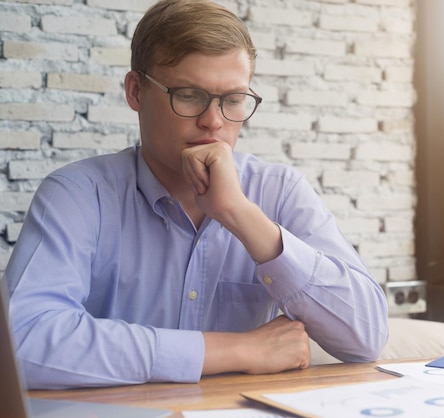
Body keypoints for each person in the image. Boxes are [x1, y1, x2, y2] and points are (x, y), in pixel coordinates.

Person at [3, 0, 389, 390]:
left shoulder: (280, 191)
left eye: (234, 100)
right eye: (189, 95)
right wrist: (237, 351)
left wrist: (241, 216)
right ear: (136, 92)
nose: (214, 121)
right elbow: (23, 341)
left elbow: (367, 338)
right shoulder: (78, 195)